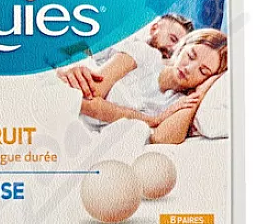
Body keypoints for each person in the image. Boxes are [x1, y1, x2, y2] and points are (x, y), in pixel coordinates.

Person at [58, 28, 227, 144]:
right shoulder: (145, 54)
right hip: (65, 104)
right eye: (190, 56)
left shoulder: (178, 104)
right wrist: (152, 120)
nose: (189, 68)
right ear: (181, 48)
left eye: (203, 71)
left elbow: (161, 139)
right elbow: (88, 97)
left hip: (78, 135)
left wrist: (200, 94)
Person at [59, 13, 193, 100]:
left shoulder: (165, 72)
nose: (172, 49)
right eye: (173, 39)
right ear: (154, 28)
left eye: (179, 47)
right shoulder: (129, 42)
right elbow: (79, 48)